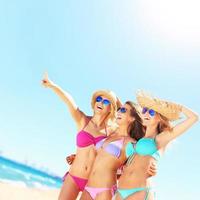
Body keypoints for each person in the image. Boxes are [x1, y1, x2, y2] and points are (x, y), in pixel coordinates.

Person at [42, 72, 119, 200]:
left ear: (111, 108)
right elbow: (69, 101)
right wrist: (52, 85)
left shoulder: (112, 132)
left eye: (106, 101)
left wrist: (115, 100)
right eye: (99, 99)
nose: (100, 102)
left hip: (94, 183)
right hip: (73, 177)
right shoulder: (82, 120)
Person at [115, 92, 199, 200]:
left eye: (151, 112)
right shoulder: (138, 136)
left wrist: (178, 107)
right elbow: (123, 113)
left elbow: (194, 118)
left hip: (140, 191)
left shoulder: (161, 138)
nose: (146, 114)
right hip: (120, 191)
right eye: (144, 111)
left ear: (160, 118)